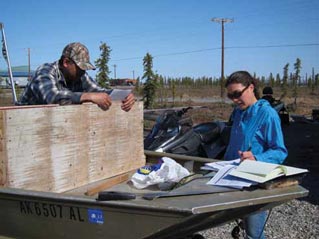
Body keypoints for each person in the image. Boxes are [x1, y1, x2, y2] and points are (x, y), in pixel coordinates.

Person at [224, 71, 288, 239]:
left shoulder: (268, 115)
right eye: (230, 96)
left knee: (254, 233)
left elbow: (280, 151)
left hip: (256, 185)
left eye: (237, 94)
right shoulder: (238, 113)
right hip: (234, 179)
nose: (234, 99)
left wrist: (257, 158)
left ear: (251, 87)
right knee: (242, 225)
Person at [19, 42, 135, 111]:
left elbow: (100, 92)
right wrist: (88, 96)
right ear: (66, 62)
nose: (83, 72)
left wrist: (124, 96)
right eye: (80, 67)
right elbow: (52, 97)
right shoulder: (45, 72)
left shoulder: (80, 75)